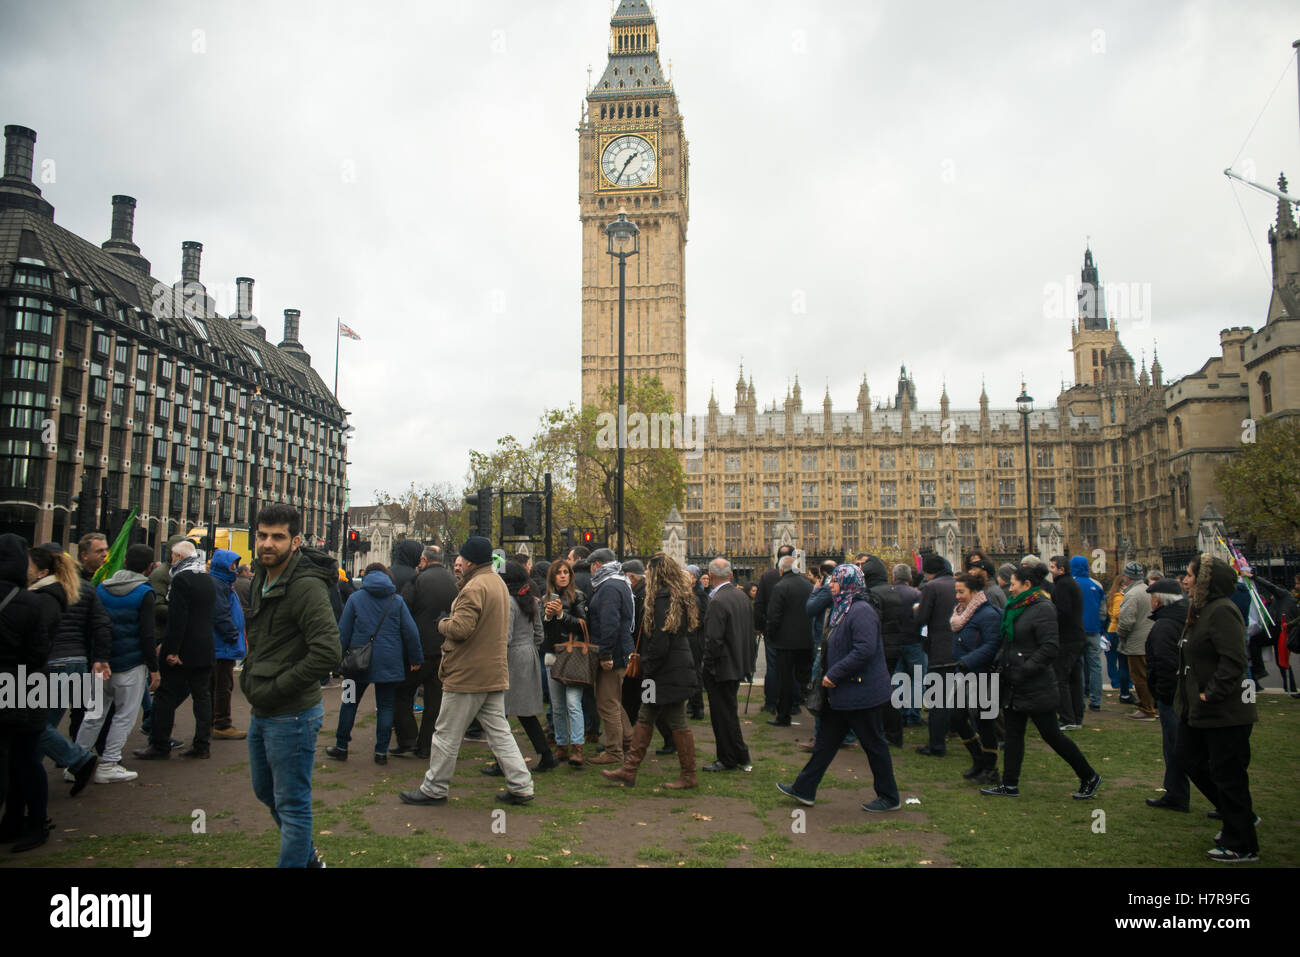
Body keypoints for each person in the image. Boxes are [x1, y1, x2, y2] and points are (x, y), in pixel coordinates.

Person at [400, 537, 534, 807]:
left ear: (471, 560)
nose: (460, 562)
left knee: (446, 733)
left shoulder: (474, 587)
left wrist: (442, 624)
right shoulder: (496, 582)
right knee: (500, 732)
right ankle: (521, 785)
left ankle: (434, 788)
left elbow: (461, 629)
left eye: (463, 557)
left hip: (468, 673)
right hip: (493, 670)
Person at [241, 503, 341, 868]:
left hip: (292, 714)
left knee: (293, 803)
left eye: (278, 537)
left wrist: (279, 685)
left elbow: (328, 651)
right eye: (263, 535)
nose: (268, 543)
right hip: (262, 707)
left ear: (295, 541)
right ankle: (309, 860)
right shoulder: (260, 577)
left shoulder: (306, 588)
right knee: (265, 791)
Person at [776, 563, 901, 811]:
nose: (829, 585)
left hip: (860, 691)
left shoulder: (861, 610)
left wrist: (835, 672)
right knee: (825, 743)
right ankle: (804, 788)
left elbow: (864, 649)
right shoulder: (841, 608)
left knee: (874, 745)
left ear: (847, 584)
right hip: (841, 692)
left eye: (834, 582)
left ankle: (889, 797)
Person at [981, 564, 1101, 800]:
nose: (1010, 587)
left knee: (1052, 735)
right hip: (1014, 682)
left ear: (1026, 585)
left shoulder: (1043, 608)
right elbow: (1010, 642)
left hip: (1035, 684)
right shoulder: (1014, 607)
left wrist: (1024, 670)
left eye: (1013, 583)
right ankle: (1010, 784)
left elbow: (1049, 647)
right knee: (1014, 736)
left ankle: (1089, 776)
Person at [1174, 555, 1259, 862]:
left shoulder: (1222, 611)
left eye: (1189, 575)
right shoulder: (1200, 610)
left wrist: (1213, 693)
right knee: (1188, 757)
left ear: (1205, 581)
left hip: (1224, 710)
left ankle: (1242, 842)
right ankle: (1239, 816)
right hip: (1198, 707)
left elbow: (1234, 660)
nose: (1185, 580)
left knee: (1228, 773)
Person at [601, 552, 700, 788]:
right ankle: (630, 769)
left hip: (663, 673)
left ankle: (688, 774)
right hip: (667, 671)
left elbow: (660, 640)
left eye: (648, 569)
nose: (646, 572)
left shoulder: (663, 599)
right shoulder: (676, 596)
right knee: (647, 714)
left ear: (657, 572)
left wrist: (648, 667)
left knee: (675, 720)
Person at [3, 544, 75, 851]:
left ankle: (24, 820)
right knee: (25, 758)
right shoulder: (32, 601)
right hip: (29, 685)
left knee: (21, 759)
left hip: (22, 685)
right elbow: (38, 650)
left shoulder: (36, 600)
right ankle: (27, 820)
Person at [326, 562, 423, 764]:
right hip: (388, 662)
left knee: (349, 702)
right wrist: (415, 658)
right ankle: (381, 751)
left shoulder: (355, 598)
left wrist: (337, 661)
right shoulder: (396, 600)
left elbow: (343, 632)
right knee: (386, 706)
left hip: (356, 663)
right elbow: (411, 632)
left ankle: (341, 746)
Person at [79, 544, 159, 784]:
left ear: (124, 562)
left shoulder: (102, 588)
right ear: (148, 567)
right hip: (131, 664)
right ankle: (109, 763)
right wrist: (153, 668)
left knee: (93, 715)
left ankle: (76, 763)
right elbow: (147, 634)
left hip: (102, 661)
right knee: (124, 716)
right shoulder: (145, 592)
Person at [37, 542, 111, 795]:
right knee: (45, 723)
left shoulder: (39, 592)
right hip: (78, 662)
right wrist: (100, 658)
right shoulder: (86, 589)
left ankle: (76, 757)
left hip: (51, 663)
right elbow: (101, 625)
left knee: (35, 725)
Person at [135, 539, 216, 759]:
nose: (171, 559)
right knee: (202, 697)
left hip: (183, 650)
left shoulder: (181, 580)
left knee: (165, 695)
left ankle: (159, 745)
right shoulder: (208, 579)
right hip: (205, 647)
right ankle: (202, 745)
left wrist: (171, 650)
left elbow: (178, 619)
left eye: (172, 556)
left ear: (179, 557)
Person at [481, 561, 555, 775]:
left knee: (499, 712)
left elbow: (506, 636)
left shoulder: (509, 602)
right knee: (524, 712)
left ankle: (503, 761)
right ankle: (546, 755)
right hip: (528, 654)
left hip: (512, 657)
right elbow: (539, 633)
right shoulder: (531, 600)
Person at [396, 546, 456, 759]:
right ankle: (426, 745)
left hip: (420, 649)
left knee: (402, 693)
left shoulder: (417, 580)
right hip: (445, 648)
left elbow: (403, 611)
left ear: (423, 560)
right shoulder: (452, 581)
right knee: (434, 700)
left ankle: (407, 739)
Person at [700, 557, 755, 772]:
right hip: (737, 663)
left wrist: (708, 664)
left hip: (721, 667)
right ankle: (741, 754)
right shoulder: (741, 596)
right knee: (729, 712)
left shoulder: (717, 601)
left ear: (710, 577)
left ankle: (727, 758)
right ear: (731, 575)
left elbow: (713, 639)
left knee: (722, 715)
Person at [949, 569, 1002, 784]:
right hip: (964, 674)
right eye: (957, 592)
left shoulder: (988, 614)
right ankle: (978, 759)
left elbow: (992, 645)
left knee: (984, 721)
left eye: (962, 592)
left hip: (982, 674)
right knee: (957, 717)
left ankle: (990, 769)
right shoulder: (962, 613)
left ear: (974, 592)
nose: (958, 596)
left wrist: (967, 661)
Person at [584, 548, 635, 767]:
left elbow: (609, 623)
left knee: (607, 702)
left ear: (597, 565)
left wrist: (605, 654)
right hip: (621, 650)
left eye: (591, 566)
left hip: (613, 653)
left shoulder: (609, 587)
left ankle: (614, 750)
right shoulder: (619, 582)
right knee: (615, 700)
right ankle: (628, 740)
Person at [1143, 577, 1189, 812]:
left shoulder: (1164, 626)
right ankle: (1175, 791)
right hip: (1182, 693)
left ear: (1159, 599)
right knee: (1177, 746)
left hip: (1171, 696)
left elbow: (1164, 663)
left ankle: (1177, 793)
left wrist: (1161, 693)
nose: (1150, 601)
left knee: (1175, 746)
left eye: (1152, 597)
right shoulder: (1183, 616)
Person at [542, 558, 589, 767]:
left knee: (573, 703)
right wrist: (547, 617)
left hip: (573, 656)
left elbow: (582, 625)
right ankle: (561, 744)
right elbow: (542, 634)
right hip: (553, 656)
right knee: (558, 706)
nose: (562, 575)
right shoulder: (544, 600)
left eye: (566, 572)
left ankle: (577, 746)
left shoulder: (578, 597)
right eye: (558, 572)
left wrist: (561, 615)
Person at [915, 554, 957, 757]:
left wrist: (916, 610)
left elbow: (922, 618)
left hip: (939, 648)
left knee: (937, 699)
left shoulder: (932, 587)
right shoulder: (959, 583)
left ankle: (936, 745)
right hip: (960, 648)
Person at [765, 554, 813, 727]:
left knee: (784, 681)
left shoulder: (781, 586)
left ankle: (783, 715)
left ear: (781, 570)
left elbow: (773, 615)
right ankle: (815, 709)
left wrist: (771, 635)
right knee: (805, 679)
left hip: (785, 643)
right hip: (806, 640)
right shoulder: (808, 584)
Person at [209, 549, 247, 740]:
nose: (235, 568)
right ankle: (222, 723)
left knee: (217, 684)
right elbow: (220, 613)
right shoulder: (218, 585)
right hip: (222, 645)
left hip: (222, 644)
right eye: (233, 565)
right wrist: (232, 634)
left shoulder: (222, 583)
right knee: (223, 685)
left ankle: (213, 721)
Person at [753, 544, 795, 714]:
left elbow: (759, 604)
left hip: (772, 629)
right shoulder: (802, 579)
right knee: (791, 667)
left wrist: (759, 626)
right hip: (794, 631)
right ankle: (793, 704)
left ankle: (771, 703)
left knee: (772, 667)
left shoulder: (767, 576)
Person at [1048, 555, 1086, 731]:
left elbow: (1062, 612)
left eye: (1053, 567)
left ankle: (1067, 717)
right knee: (1074, 679)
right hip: (1077, 636)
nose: (1050, 570)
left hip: (1067, 638)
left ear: (1061, 570)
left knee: (1061, 678)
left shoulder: (1062, 585)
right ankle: (1077, 717)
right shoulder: (1072, 583)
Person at [1116, 561, 1157, 719]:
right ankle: (1151, 705)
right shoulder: (1148, 590)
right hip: (1148, 639)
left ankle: (1147, 708)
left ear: (1128, 577)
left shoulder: (1132, 594)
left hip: (1136, 642)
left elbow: (1126, 622)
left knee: (1139, 677)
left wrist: (1121, 635)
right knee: (1148, 676)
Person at [1070, 555, 1106, 714]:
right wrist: (1100, 627)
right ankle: (1096, 701)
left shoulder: (1071, 584)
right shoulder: (1096, 585)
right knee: (1096, 666)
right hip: (1094, 630)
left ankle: (1080, 700)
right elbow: (1103, 612)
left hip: (1076, 631)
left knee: (1079, 665)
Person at [892, 563, 924, 727]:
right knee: (917, 679)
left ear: (894, 577)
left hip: (895, 642)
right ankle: (912, 714)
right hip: (914, 641)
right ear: (910, 577)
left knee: (898, 678)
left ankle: (897, 713)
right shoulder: (916, 594)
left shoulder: (889, 594)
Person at [1104, 574, 1132, 702]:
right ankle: (1119, 683)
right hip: (1116, 630)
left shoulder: (1111, 596)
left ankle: (1116, 681)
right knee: (1122, 660)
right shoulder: (1119, 597)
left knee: (1111, 658)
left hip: (1111, 630)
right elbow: (1117, 613)